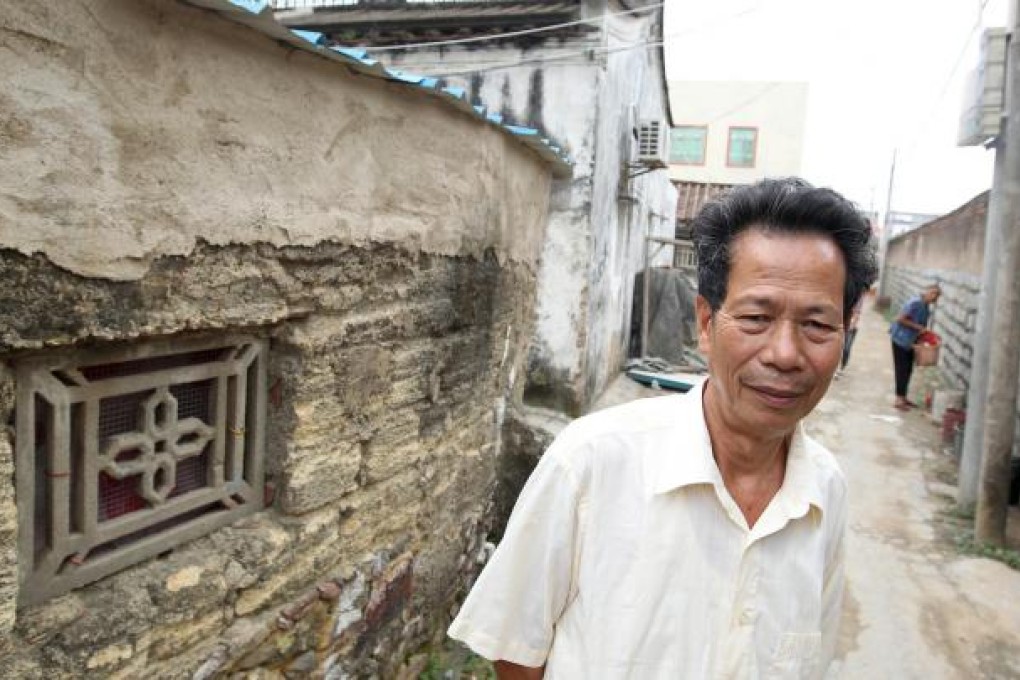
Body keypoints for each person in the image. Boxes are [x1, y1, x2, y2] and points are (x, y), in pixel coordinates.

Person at [448, 178, 878, 679]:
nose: (784, 354)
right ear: (705, 320)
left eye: (818, 326)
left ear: (845, 333)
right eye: (757, 317)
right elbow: (517, 650)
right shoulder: (591, 460)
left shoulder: (824, 491)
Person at [888, 284, 940, 411]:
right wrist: (919, 328)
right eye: (933, 294)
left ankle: (903, 397)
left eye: (937, 296)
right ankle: (898, 400)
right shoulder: (915, 303)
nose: (934, 298)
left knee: (908, 370)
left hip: (910, 342)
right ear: (927, 291)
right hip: (900, 340)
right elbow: (900, 319)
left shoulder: (926, 306)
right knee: (902, 369)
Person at [836, 299, 863, 377]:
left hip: (852, 327)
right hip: (843, 325)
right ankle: (837, 369)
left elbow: (857, 313)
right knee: (838, 347)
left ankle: (842, 367)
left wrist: (852, 324)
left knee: (847, 348)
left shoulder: (859, 298)